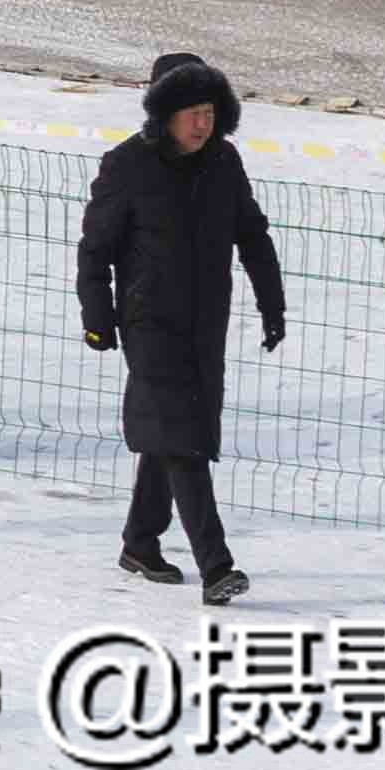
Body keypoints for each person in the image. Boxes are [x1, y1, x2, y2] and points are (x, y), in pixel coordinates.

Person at [75, 52, 289, 605]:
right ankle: (217, 566)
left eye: (211, 112)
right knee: (183, 437)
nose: (203, 123)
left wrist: (273, 304)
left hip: (205, 322)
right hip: (149, 322)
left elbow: (253, 235)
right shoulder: (126, 166)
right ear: (164, 113)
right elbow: (95, 250)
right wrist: (97, 318)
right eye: (192, 111)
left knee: (171, 433)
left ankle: (140, 542)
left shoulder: (224, 164)